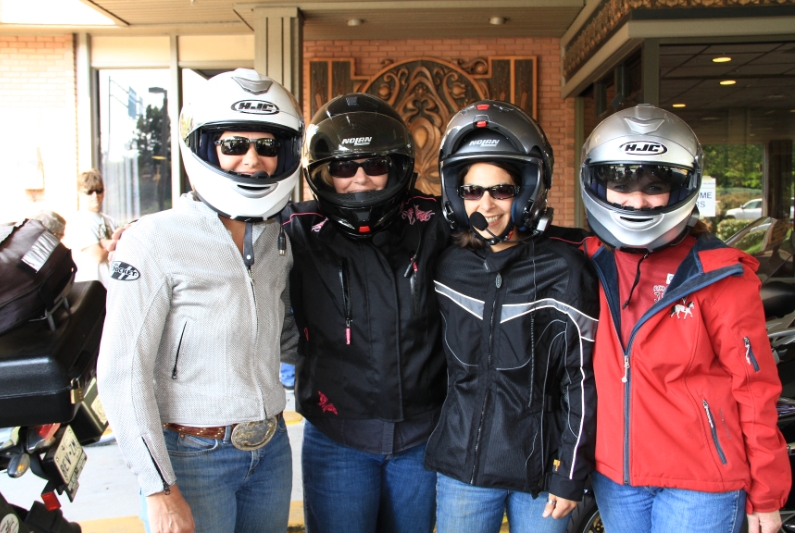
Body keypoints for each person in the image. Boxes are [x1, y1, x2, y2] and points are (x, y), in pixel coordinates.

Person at [98, 68, 302, 533]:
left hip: (270, 450)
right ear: (207, 147)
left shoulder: (277, 239)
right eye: (235, 145)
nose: (254, 160)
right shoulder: (154, 238)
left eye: (267, 146)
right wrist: (159, 490)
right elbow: (121, 372)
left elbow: (286, 335)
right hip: (192, 458)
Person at [579, 104, 791, 533]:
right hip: (616, 477)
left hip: (701, 481)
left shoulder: (721, 275)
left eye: (655, 185)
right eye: (620, 183)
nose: (637, 200)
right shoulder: (586, 262)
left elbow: (755, 391)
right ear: (597, 183)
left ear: (684, 187)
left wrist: (767, 493)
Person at [424, 101, 599, 533]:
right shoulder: (447, 267)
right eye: (472, 191)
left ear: (526, 191)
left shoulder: (565, 267)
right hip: (462, 469)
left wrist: (571, 473)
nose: (488, 204)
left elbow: (582, 381)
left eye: (502, 190)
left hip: (541, 474)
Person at [281, 93, 451, 533]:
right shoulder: (296, 229)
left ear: (396, 167)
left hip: (422, 437)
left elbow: (501, 232)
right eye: (343, 168)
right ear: (324, 173)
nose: (360, 179)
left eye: (374, 165)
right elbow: (229, 230)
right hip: (338, 437)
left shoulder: (435, 223)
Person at [67, 169, 116, 287]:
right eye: (89, 192)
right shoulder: (79, 220)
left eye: (98, 190)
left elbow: (125, 250)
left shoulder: (110, 220)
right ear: (80, 193)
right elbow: (98, 256)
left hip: (112, 288)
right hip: (91, 289)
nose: (95, 196)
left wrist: (104, 243)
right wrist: (116, 244)